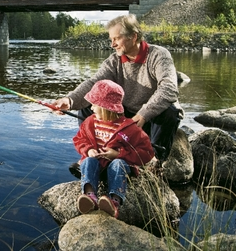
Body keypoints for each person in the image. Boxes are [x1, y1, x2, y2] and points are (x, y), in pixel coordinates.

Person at [54, 14, 182, 175]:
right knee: (89, 106)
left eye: (117, 39)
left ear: (133, 37)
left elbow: (169, 88)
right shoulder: (114, 61)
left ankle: (154, 163)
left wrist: (144, 114)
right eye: (111, 39)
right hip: (125, 118)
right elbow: (93, 84)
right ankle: (94, 156)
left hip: (150, 119)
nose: (112, 44)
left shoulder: (159, 55)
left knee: (170, 111)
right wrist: (69, 100)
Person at [74, 79, 155, 218]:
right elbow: (79, 139)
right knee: (88, 161)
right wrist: (88, 150)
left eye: (94, 104)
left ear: (106, 107)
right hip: (98, 165)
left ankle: (114, 202)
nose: (91, 108)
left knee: (118, 164)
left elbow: (147, 152)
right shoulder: (90, 122)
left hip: (116, 168)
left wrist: (118, 154)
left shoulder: (129, 128)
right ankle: (89, 196)